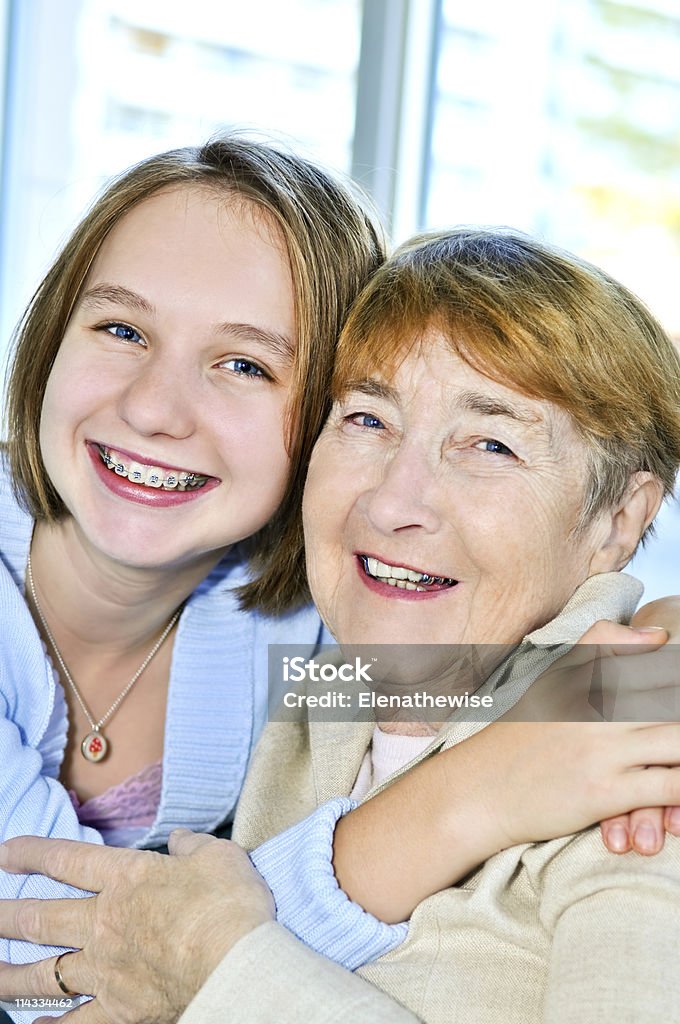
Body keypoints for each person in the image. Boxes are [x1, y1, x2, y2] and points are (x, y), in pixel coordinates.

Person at [2, 227, 680, 1024]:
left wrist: (219, 963)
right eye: (366, 420)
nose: (393, 503)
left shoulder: (636, 772)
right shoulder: (323, 678)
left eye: (490, 444)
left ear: (619, 516)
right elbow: (62, 953)